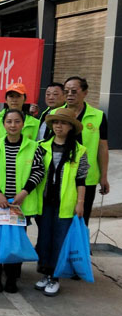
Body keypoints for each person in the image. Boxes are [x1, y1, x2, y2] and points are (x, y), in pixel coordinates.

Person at [0, 109, 46, 293]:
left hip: (19, 204)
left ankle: (12, 278)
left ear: (23, 124)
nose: (13, 125)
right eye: (9, 121)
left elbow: (38, 171)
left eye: (17, 121)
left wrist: (24, 192)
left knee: (16, 242)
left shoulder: (34, 147)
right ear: (3, 124)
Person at [35, 108, 89, 296]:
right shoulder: (41, 147)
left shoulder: (79, 151)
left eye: (64, 123)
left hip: (65, 204)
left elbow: (81, 179)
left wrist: (80, 202)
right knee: (44, 239)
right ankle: (45, 273)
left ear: (71, 127)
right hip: (43, 202)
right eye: (56, 122)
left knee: (59, 241)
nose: (59, 126)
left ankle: (55, 277)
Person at [63, 76, 110, 225]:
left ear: (85, 92)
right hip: (61, 175)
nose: (69, 94)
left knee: (82, 217)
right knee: (60, 218)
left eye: (74, 91)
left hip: (87, 176)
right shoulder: (56, 114)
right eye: (66, 91)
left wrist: (103, 176)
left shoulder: (98, 116)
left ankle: (80, 241)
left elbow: (102, 147)